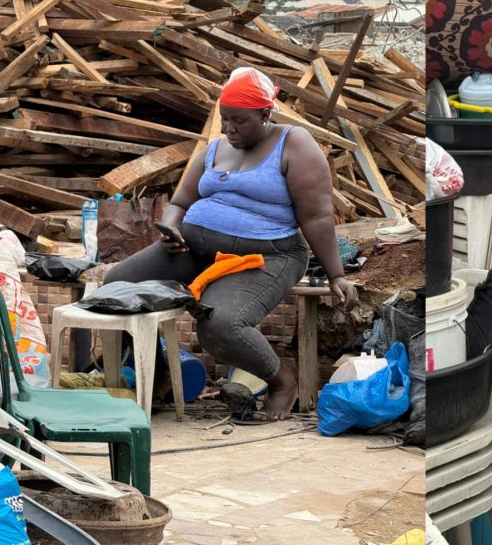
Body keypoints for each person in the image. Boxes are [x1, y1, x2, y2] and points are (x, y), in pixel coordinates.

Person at [104, 67, 358, 420]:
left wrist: (336, 275)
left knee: (220, 323)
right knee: (116, 285)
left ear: (266, 114)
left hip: (266, 256)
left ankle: (282, 381)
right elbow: (179, 203)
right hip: (193, 248)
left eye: (239, 121)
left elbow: (316, 217)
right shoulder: (215, 149)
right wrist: (172, 228)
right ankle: (158, 370)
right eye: (225, 120)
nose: (229, 129)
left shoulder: (293, 143)